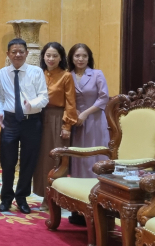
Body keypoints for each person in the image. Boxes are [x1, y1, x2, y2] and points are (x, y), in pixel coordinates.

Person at [0, 38, 49, 214]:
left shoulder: (36, 72)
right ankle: (5, 198)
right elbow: (0, 97)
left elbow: (44, 97)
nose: (17, 54)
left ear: (27, 53)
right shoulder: (2, 73)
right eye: (14, 51)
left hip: (31, 121)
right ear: (8, 54)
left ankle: (22, 197)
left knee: (28, 161)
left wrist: (31, 104)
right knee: (7, 161)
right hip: (10, 121)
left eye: (21, 51)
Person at [32, 42, 77, 207]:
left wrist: (67, 126)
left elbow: (70, 104)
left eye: (55, 56)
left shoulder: (66, 76)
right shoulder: (38, 73)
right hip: (38, 117)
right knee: (40, 158)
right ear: (43, 56)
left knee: (55, 158)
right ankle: (43, 194)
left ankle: (55, 197)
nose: (51, 59)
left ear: (61, 58)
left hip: (58, 118)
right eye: (48, 55)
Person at [68, 44, 109, 176]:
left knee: (95, 152)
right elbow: (65, 98)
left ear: (89, 58)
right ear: (72, 58)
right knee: (78, 153)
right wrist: (74, 111)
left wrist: (85, 113)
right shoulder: (68, 75)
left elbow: (104, 97)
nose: (81, 59)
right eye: (77, 55)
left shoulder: (97, 74)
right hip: (76, 120)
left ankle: (99, 185)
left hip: (95, 119)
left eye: (84, 56)